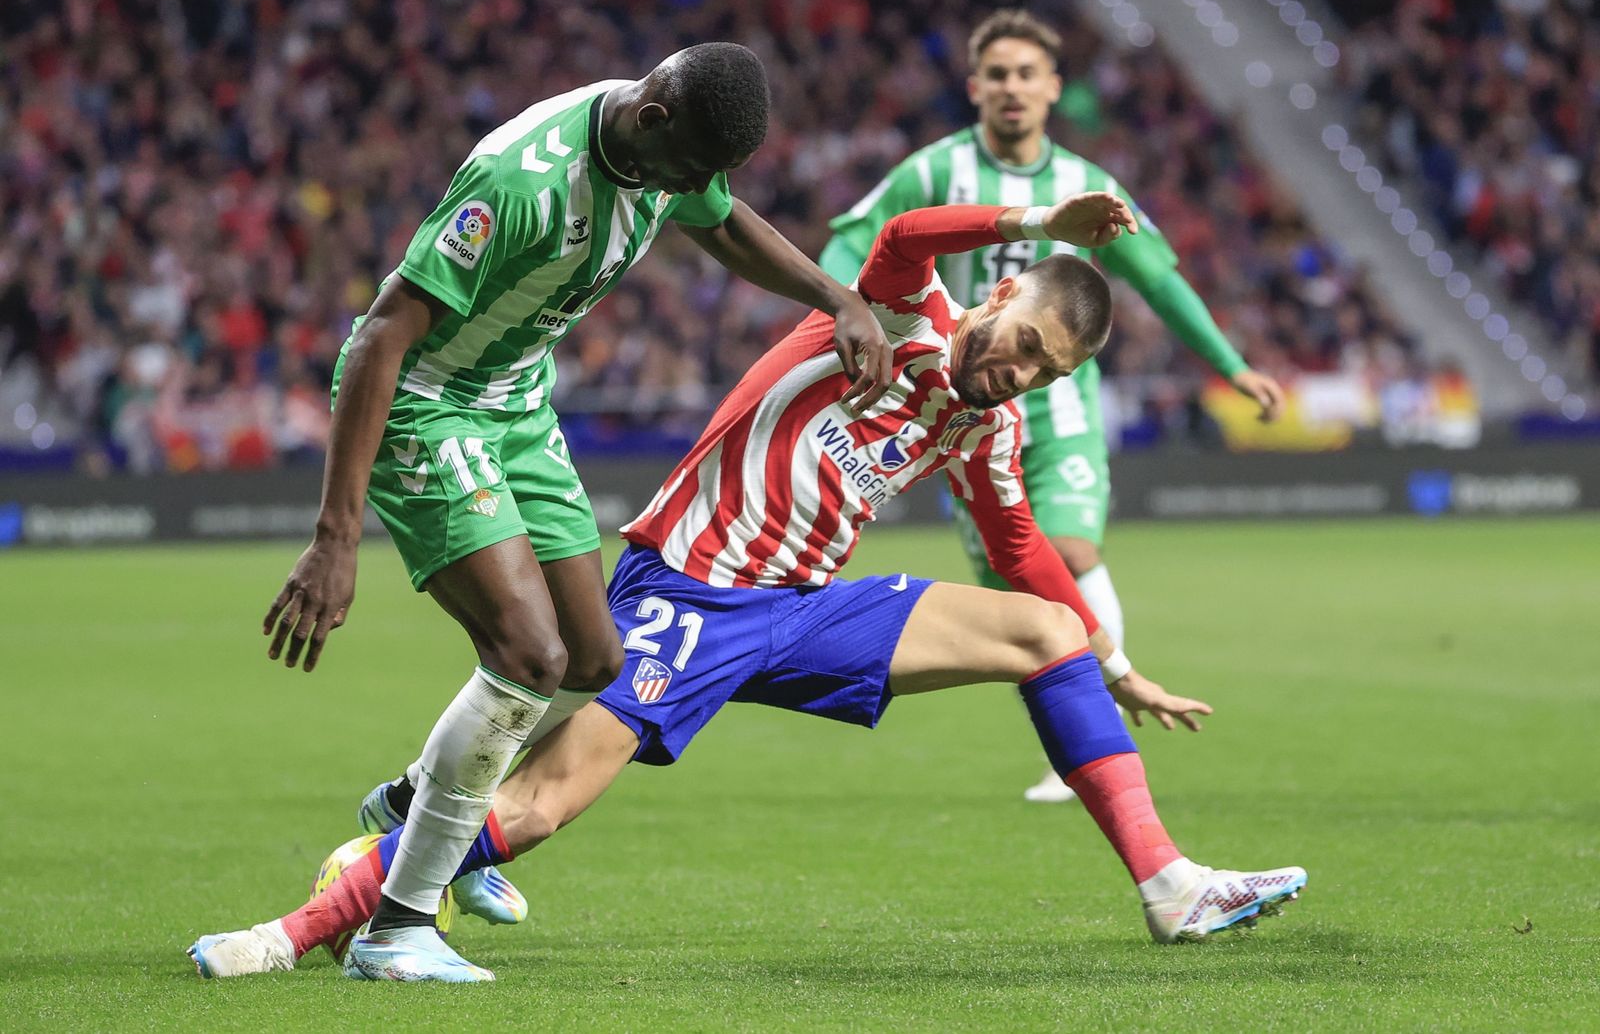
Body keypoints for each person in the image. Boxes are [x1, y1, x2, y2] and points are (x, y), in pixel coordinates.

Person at [191, 193, 1305, 981]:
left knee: (1046, 626)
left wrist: (1113, 663)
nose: (1012, 371)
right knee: (537, 810)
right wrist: (1035, 219)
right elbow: (911, 235)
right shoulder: (900, 310)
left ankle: (1167, 885)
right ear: (1000, 293)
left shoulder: (985, 422)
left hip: (808, 607)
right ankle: (308, 922)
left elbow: (1019, 547)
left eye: (1041, 372)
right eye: (1018, 343)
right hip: (692, 591)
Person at [255, 42, 895, 983]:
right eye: (692, 172)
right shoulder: (520, 181)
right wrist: (333, 537)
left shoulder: (666, 150)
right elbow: (385, 336)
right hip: (429, 403)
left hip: (514, 402)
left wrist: (837, 297)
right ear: (653, 120)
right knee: (529, 655)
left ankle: (414, 805)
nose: (697, 191)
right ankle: (397, 925)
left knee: (597, 659)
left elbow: (722, 225)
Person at [820, 10, 1287, 803]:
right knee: (1021, 591)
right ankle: (1078, 735)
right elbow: (854, 245)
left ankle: (1096, 729)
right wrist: (836, 311)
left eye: (1026, 75)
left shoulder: (1086, 190)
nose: (1012, 88)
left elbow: (1160, 280)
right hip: (956, 413)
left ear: (1052, 90)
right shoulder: (932, 172)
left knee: (1065, 552)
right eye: (997, 74)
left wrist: (1230, 365)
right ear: (975, 87)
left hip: (1057, 417)